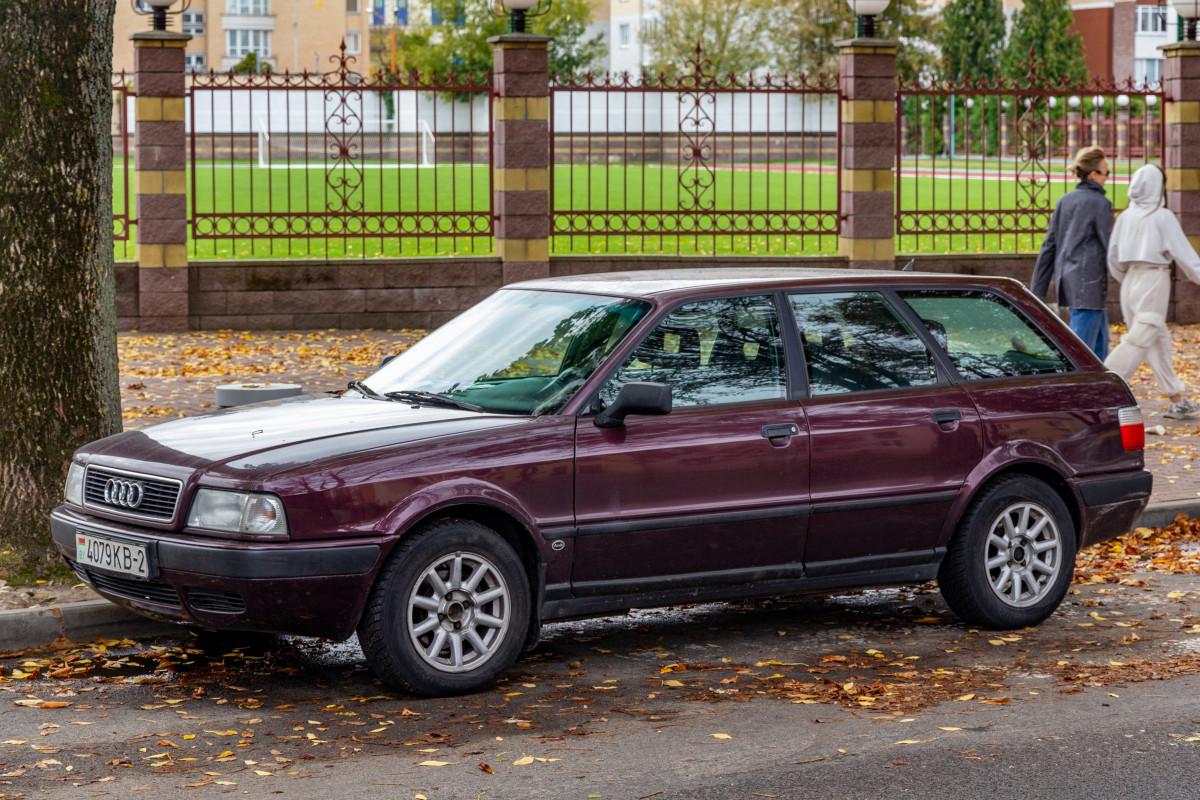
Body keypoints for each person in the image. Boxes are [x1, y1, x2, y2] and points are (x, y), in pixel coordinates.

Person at [1104, 164, 1200, 420]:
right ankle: (1099, 388)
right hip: (1154, 278)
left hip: (1130, 281)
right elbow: (1187, 258)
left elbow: (1113, 258)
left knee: (1157, 342)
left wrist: (1129, 279)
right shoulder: (1162, 216)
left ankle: (1177, 400)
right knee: (1137, 342)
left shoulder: (1125, 216)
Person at [1031, 146, 1114, 359]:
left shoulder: (1065, 201)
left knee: (1099, 349)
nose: (1108, 178)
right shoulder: (1101, 204)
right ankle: (1068, 389)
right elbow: (1110, 247)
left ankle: (1100, 390)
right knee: (1082, 354)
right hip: (1091, 285)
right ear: (1094, 175)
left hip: (1069, 282)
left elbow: (1049, 246)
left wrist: (1037, 290)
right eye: (1107, 173)